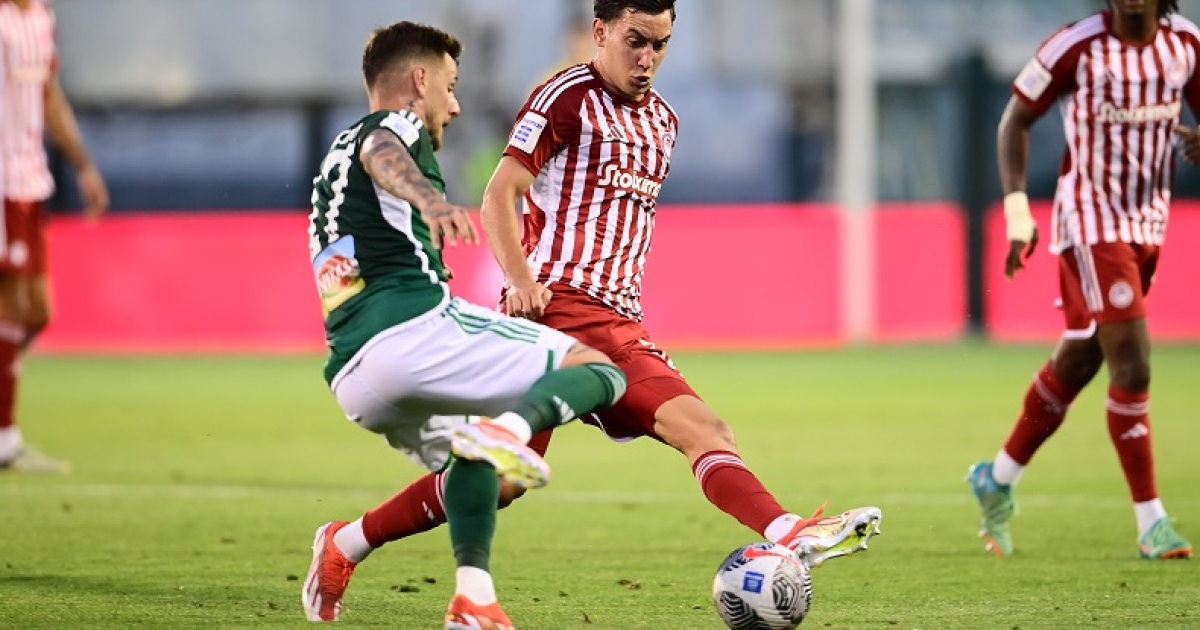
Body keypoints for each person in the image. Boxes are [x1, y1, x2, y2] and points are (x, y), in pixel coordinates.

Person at [300, 6, 884, 615]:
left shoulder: (664, 121)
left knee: (513, 478)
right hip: (560, 306)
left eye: (660, 44)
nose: (647, 58)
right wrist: (520, 279)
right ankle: (787, 530)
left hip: (620, 317)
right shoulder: (564, 97)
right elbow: (501, 193)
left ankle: (347, 542)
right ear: (601, 33)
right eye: (635, 41)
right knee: (693, 432)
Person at [300, 22, 627, 629]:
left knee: (479, 469)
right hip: (411, 332)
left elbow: (345, 256)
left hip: (353, 373)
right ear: (419, 79)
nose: (453, 106)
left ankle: (456, 592)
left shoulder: (333, 159)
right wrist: (430, 201)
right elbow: (384, 151)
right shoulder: (390, 128)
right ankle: (508, 429)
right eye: (449, 87)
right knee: (598, 370)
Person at [968, 0, 1195, 560]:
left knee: (1083, 355)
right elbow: (1015, 119)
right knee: (1133, 361)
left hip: (1149, 223)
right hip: (1091, 222)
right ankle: (1152, 522)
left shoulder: (1186, 45)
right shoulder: (1076, 46)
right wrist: (1018, 211)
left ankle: (998, 477)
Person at [0, 0, 109, 473]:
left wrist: (83, 165)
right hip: (2, 183)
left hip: (31, 182)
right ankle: (4, 437)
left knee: (38, 312)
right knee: (9, 304)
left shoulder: (41, 18)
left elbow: (48, 97)